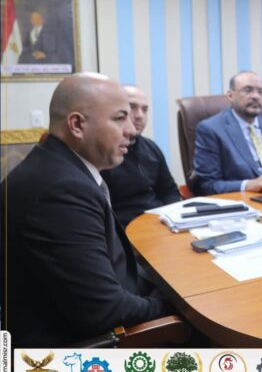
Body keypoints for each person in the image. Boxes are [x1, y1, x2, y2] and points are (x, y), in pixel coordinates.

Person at [1, 73, 169, 346]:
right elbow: (104, 310)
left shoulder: (60, 168)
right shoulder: (59, 190)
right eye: (120, 118)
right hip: (70, 350)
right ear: (77, 124)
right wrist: (171, 304)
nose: (131, 130)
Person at [193, 70, 262, 195]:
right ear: (230, 96)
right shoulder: (211, 129)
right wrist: (248, 185)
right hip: (246, 199)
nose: (256, 96)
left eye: (260, 92)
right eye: (248, 90)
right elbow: (208, 185)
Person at [101, 85, 181, 226]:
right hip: (124, 228)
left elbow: (169, 191)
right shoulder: (102, 152)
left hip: (161, 223)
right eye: (132, 107)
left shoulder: (151, 147)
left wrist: (173, 219)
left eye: (145, 109)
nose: (140, 115)